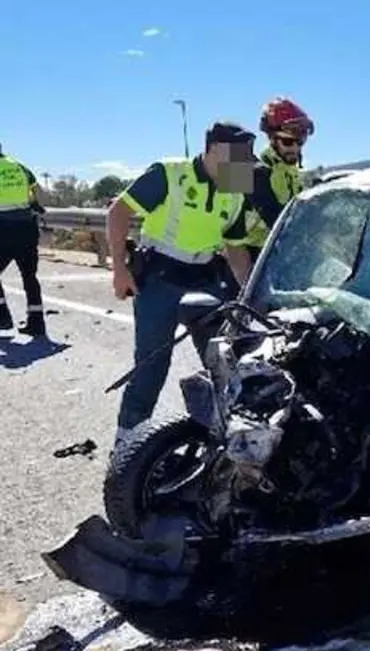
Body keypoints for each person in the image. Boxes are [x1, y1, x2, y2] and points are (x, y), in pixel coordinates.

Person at [107, 121, 257, 446]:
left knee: (224, 362)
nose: (245, 163)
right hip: (159, 276)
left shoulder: (236, 183)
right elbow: (118, 212)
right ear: (215, 149)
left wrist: (250, 292)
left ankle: (225, 442)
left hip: (204, 277)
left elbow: (235, 247)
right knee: (151, 364)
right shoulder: (170, 173)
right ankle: (127, 444)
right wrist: (119, 269)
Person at [234, 97, 315, 263]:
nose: (295, 148)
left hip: (278, 256)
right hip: (246, 261)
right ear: (271, 139)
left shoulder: (294, 174)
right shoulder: (248, 169)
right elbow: (277, 220)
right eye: (287, 142)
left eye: (300, 142)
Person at [0, 143, 48, 337]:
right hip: (26, 227)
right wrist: (32, 204)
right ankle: (37, 323)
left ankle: (2, 317)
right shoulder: (19, 166)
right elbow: (40, 194)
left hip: (2, 227)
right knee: (29, 276)